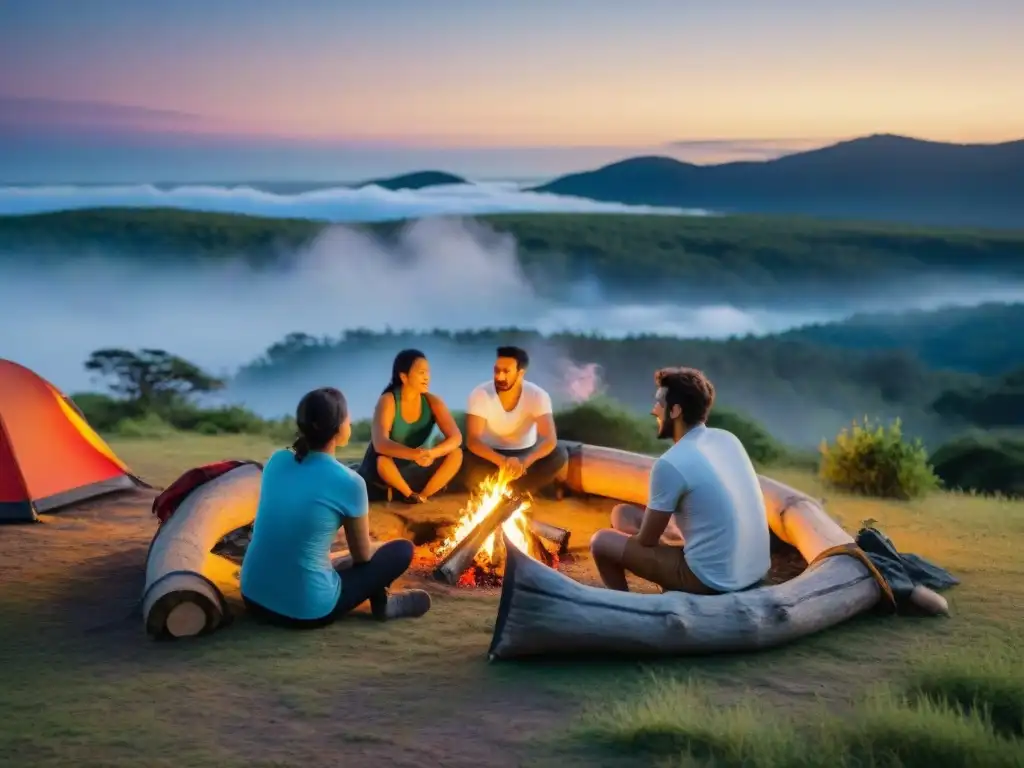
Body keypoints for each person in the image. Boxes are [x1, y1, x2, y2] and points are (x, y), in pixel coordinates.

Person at [240, 386, 431, 627]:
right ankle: (383, 604)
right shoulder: (349, 483)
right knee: (401, 551)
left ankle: (373, 595)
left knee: (318, 552)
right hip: (305, 609)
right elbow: (362, 557)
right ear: (339, 428)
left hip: (253, 595)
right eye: (348, 418)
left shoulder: (277, 460)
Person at [589, 367, 771, 595]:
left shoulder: (670, 463)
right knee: (622, 514)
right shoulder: (728, 439)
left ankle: (626, 605)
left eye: (659, 404)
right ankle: (669, 568)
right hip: (754, 570)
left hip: (713, 580)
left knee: (601, 542)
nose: (653, 410)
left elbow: (646, 540)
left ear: (675, 410)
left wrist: (636, 547)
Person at [460, 345, 568, 496]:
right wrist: (503, 462)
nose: (500, 377)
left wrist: (525, 461)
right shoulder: (480, 394)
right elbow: (473, 440)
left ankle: (506, 489)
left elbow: (550, 439)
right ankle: (521, 489)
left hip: (525, 454)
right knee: (466, 463)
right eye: (497, 370)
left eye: (506, 371)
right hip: (489, 456)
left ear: (520, 373)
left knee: (558, 455)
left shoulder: (537, 395)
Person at [357, 349, 464, 503]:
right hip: (386, 466)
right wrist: (414, 454)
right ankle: (408, 495)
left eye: (428, 372)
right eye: (421, 372)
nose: (427, 377)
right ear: (404, 377)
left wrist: (432, 453)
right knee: (383, 461)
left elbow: (456, 437)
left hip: (414, 463)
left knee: (456, 454)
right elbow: (380, 444)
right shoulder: (388, 401)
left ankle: (423, 496)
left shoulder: (433, 402)